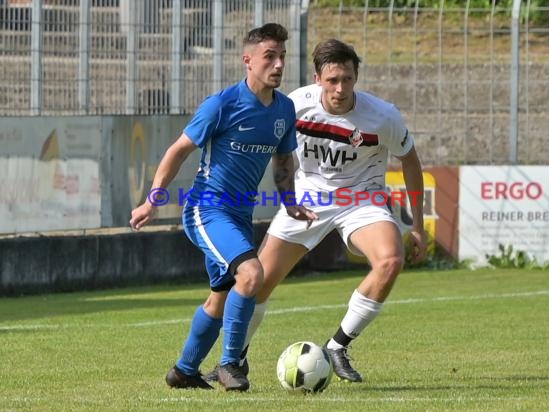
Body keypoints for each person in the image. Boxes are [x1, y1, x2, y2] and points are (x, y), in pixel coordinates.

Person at [206, 38, 427, 384]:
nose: (340, 89)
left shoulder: (382, 116)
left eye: (348, 80)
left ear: (357, 77)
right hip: (308, 199)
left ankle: (338, 345)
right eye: (333, 80)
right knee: (258, 282)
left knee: (390, 260)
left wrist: (417, 226)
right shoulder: (295, 105)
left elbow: (411, 161)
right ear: (317, 78)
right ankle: (235, 360)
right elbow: (274, 150)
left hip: (362, 199)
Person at [129, 23, 316, 392]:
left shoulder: (284, 109)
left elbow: (282, 160)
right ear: (248, 60)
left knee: (221, 297)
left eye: (282, 57)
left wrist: (291, 203)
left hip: (240, 216)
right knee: (251, 274)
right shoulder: (222, 105)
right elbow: (178, 150)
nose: (278, 64)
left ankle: (183, 370)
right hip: (207, 209)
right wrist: (154, 198)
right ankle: (231, 363)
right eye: (269, 57)